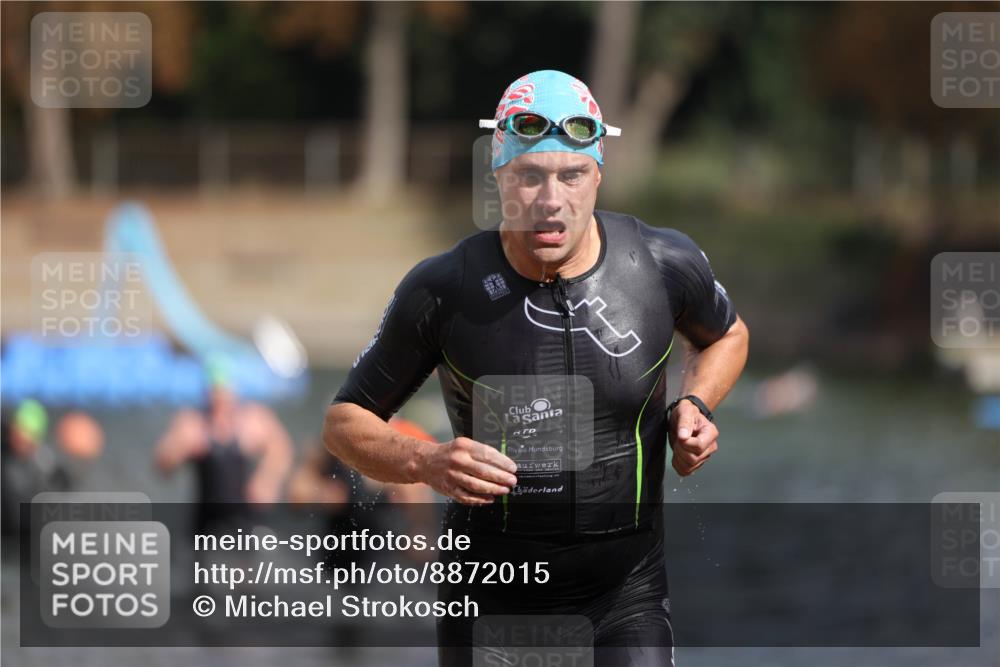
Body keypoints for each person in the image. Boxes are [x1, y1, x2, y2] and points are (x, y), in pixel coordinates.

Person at [323, 69, 749, 666]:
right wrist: (425, 461)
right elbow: (344, 423)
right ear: (498, 177)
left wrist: (697, 404)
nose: (551, 201)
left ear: (598, 175)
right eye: (529, 175)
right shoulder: (445, 289)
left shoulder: (659, 262)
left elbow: (727, 335)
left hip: (627, 592)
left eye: (572, 174)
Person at [156, 369, 293, 534]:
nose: (219, 398)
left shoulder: (252, 420)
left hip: (247, 516)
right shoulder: (194, 422)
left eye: (224, 391)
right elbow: (162, 465)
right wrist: (179, 448)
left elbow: (281, 448)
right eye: (214, 392)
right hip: (206, 519)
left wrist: (267, 480)